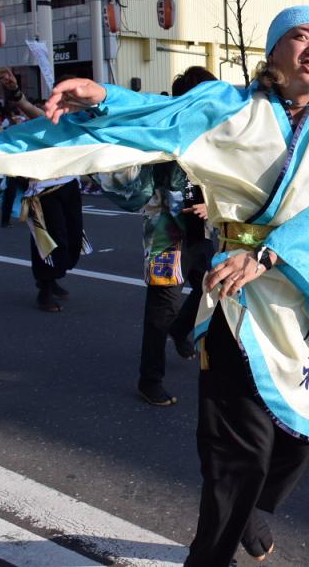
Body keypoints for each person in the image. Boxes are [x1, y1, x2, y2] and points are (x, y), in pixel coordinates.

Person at [0, 5, 309, 566]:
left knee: (303, 434)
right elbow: (160, 115)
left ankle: (259, 509)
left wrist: (275, 252)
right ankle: (209, 557)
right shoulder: (227, 107)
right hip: (237, 294)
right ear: (274, 52)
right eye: (299, 36)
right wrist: (105, 97)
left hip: (299, 295)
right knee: (240, 453)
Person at [96, 65, 218, 407]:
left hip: (202, 230)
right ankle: (149, 380)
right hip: (167, 231)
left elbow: (211, 180)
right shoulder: (165, 126)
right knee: (161, 309)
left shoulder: (215, 132)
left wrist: (211, 204)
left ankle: (181, 330)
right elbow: (152, 179)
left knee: (213, 288)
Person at [0, 68, 88, 312]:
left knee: (73, 242)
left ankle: (51, 279)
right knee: (50, 241)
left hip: (69, 186)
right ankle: (44, 289)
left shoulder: (83, 117)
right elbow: (26, 106)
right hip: (44, 190)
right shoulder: (49, 116)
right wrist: (13, 89)